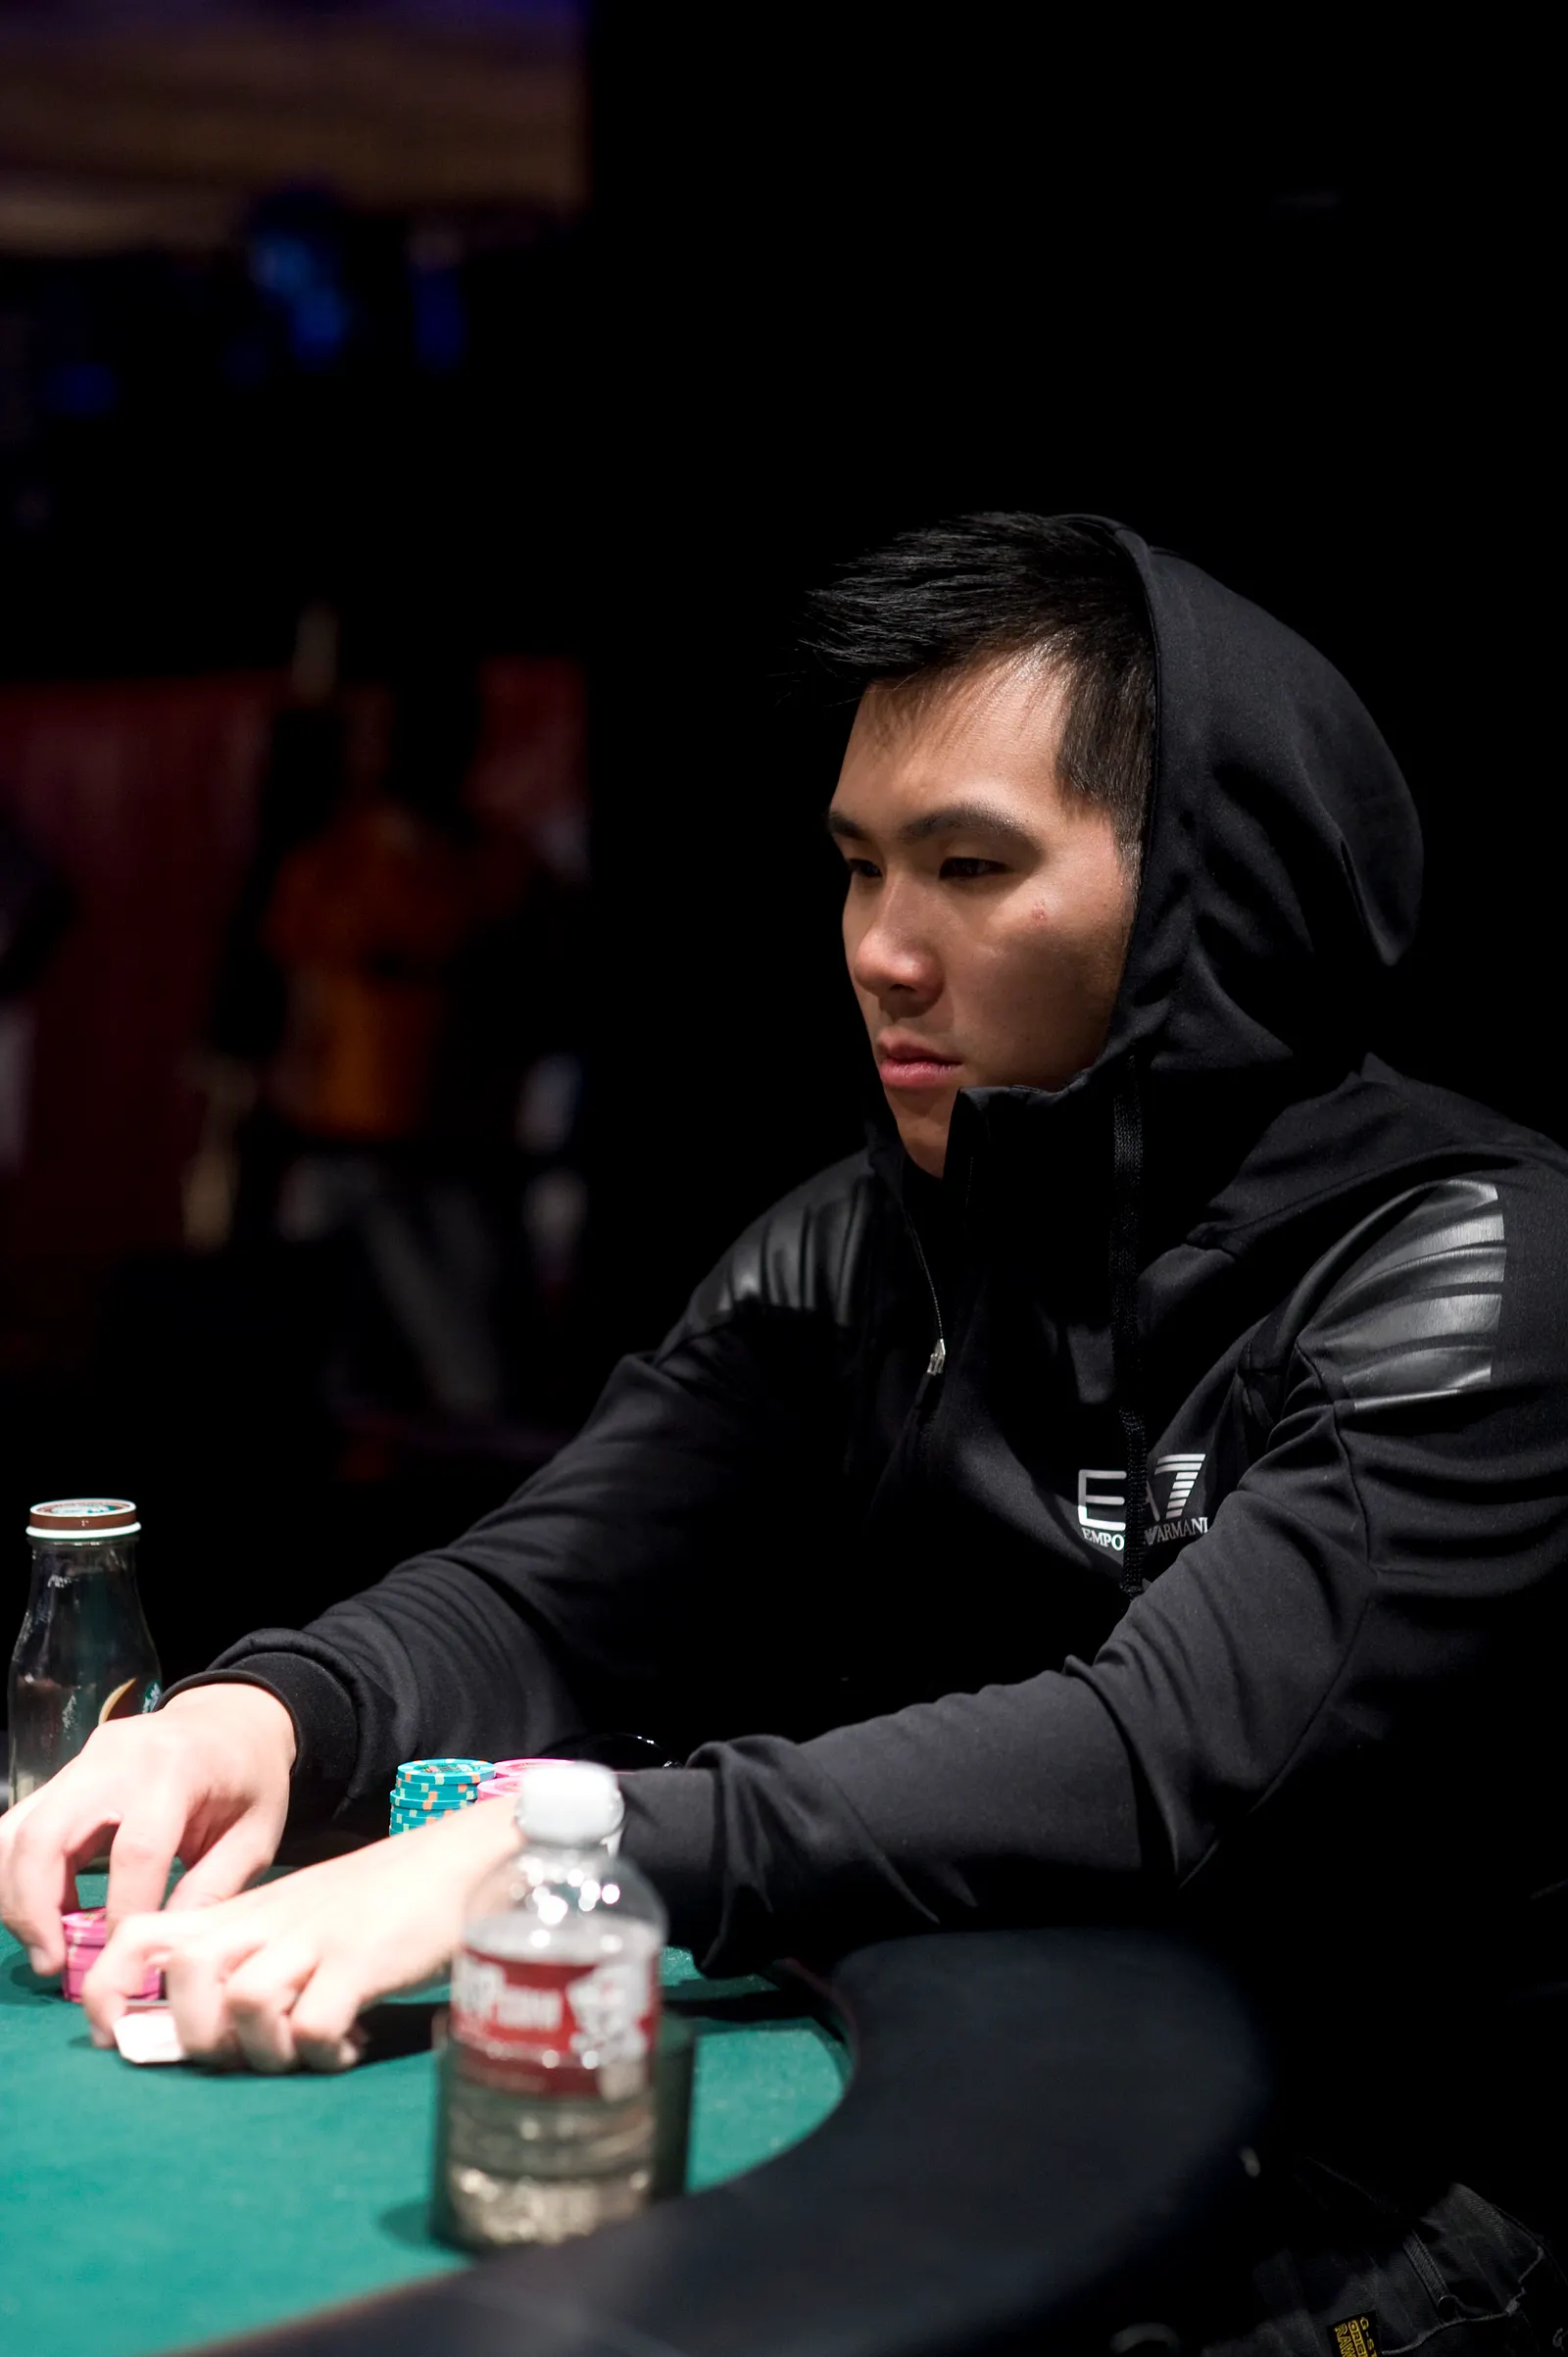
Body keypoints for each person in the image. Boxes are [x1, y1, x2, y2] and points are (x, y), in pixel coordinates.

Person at [3, 516, 1565, 2341]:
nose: (884, 952)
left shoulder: (1472, 1267)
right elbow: (560, 1584)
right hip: (995, 2088)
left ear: (1211, 898)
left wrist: (556, 1852)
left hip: (1385, 2190)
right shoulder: (865, 1241)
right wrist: (268, 1713)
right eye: (858, 868)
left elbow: (1153, 1757)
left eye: (970, 867)